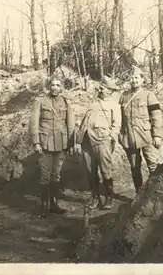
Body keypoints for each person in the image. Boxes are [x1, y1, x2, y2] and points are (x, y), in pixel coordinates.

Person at [29, 78, 75, 217]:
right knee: (45, 176)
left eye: (58, 85)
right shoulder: (40, 101)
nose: (55, 87)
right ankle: (44, 206)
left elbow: (70, 124)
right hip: (45, 144)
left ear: (61, 87)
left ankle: (54, 204)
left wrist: (71, 144)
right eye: (52, 85)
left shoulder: (66, 102)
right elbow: (34, 123)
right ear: (48, 86)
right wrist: (36, 142)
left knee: (56, 175)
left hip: (61, 144)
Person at [76, 76, 121, 210]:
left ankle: (109, 197)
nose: (100, 89)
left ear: (110, 91)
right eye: (101, 87)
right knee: (91, 170)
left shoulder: (114, 105)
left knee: (105, 169)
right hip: (87, 140)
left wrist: (110, 137)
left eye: (103, 88)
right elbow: (85, 121)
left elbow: (117, 125)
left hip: (102, 140)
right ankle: (94, 197)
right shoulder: (93, 103)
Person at [118, 66, 163, 194]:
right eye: (131, 78)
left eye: (136, 78)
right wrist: (120, 136)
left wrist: (157, 135)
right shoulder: (124, 96)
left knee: (153, 165)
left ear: (142, 80)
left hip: (146, 136)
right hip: (129, 137)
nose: (133, 80)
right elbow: (118, 117)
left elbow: (156, 116)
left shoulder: (149, 95)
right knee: (134, 167)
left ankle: (156, 194)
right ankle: (139, 194)